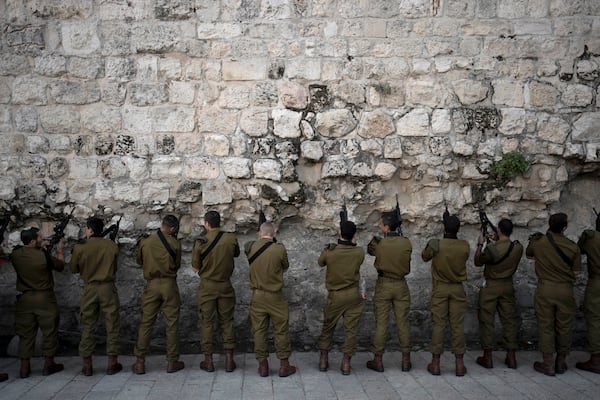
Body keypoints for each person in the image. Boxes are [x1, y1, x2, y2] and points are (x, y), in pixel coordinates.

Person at [526, 212, 581, 376]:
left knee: (546, 325)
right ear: (565, 227)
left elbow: (529, 255)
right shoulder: (572, 246)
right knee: (565, 326)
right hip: (565, 289)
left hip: (545, 288)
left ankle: (548, 363)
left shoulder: (538, 242)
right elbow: (577, 271)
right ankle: (561, 361)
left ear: (549, 224)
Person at [132, 215, 185, 374]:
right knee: (172, 323)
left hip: (152, 285)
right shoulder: (175, 243)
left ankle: (140, 362)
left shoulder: (145, 242)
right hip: (169, 284)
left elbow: (139, 261)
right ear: (173, 229)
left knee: (146, 323)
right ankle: (172, 361)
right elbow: (177, 265)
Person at [10, 227, 65, 379]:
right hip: (44, 298)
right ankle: (49, 364)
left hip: (24, 298)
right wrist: (59, 250)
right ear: (33, 241)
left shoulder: (16, 254)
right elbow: (60, 266)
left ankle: (24, 368)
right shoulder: (43, 257)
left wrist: (41, 249)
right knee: (49, 331)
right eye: (40, 238)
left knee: (25, 333)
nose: (43, 239)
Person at [70, 217, 121, 376]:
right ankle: (112, 363)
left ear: (90, 230)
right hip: (107, 287)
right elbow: (115, 267)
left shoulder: (80, 247)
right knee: (112, 324)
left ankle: (87, 365)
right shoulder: (111, 246)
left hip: (90, 288)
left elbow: (73, 269)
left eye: (86, 228)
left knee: (87, 325)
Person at [245, 222, 296, 378]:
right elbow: (285, 266)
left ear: (260, 234)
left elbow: (250, 246)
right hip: (275, 296)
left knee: (259, 331)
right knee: (281, 330)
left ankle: (263, 366)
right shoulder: (279, 249)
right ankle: (284, 365)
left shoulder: (250, 247)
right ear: (274, 234)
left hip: (258, 296)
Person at [192, 210, 240, 372]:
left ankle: (208, 360)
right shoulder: (230, 239)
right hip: (225, 285)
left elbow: (195, 267)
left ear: (206, 223)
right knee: (227, 321)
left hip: (207, 287)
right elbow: (236, 254)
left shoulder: (201, 242)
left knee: (207, 322)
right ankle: (228, 360)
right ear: (219, 222)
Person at [421, 214, 470, 376]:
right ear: (459, 229)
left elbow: (424, 257)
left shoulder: (437, 244)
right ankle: (459, 364)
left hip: (440, 288)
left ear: (443, 228)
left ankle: (435, 364)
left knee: (439, 325)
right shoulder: (464, 246)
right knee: (457, 325)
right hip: (457, 288)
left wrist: (433, 245)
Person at [317, 220, 365, 375]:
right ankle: (346, 363)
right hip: (353, 295)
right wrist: (353, 242)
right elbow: (355, 254)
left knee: (328, 326)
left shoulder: (330, 251)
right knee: (351, 330)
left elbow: (320, 262)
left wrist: (330, 248)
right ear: (354, 235)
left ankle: (323, 359)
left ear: (339, 233)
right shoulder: (359, 252)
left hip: (335, 296)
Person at [366, 212, 412, 373]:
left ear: (386, 226)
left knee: (381, 324)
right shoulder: (406, 243)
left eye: (381, 224)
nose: (380, 226)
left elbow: (370, 250)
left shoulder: (380, 244)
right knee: (403, 323)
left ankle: (378, 360)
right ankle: (406, 360)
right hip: (401, 284)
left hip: (384, 284)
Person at [473, 218, 523, 369]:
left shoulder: (492, 250)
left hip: (491, 286)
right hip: (507, 285)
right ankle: (511, 356)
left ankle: (487, 357)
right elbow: (503, 249)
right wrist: (497, 240)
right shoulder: (518, 247)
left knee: (487, 320)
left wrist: (481, 243)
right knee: (509, 320)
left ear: (499, 230)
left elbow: (477, 261)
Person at [575, 211, 600, 374]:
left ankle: (596, 360)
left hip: (597, 282)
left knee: (594, 319)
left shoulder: (591, 238)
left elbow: (579, 250)